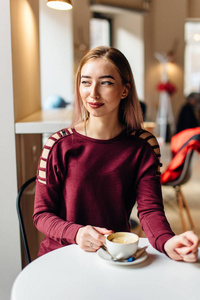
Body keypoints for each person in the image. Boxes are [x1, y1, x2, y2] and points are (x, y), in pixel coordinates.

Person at [33, 46, 199, 262]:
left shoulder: (144, 146)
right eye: (86, 82)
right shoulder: (58, 145)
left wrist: (167, 241)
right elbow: (41, 214)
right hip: (61, 255)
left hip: (114, 254)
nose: (93, 93)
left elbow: (149, 210)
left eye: (106, 82)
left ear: (124, 90)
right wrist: (76, 233)